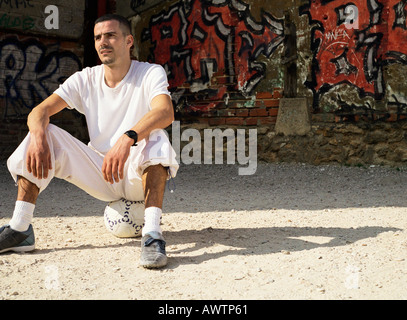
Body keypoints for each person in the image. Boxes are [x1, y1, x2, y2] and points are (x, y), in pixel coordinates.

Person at [0, 14, 178, 269]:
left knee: (158, 136)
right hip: (103, 173)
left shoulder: (149, 72)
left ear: (129, 41)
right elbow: (39, 111)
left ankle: (152, 235)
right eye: (97, 37)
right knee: (44, 131)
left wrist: (127, 138)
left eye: (110, 35)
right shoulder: (86, 78)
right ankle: (20, 227)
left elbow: (165, 112)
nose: (103, 42)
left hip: (137, 172)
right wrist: (39, 137)